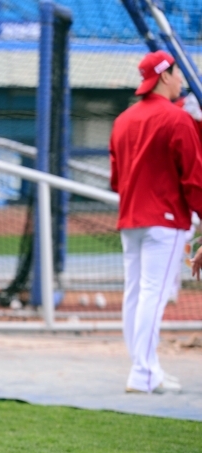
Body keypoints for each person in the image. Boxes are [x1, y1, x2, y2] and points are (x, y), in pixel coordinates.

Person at [110, 50, 202, 394]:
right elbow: (195, 179)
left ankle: (147, 368)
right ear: (165, 75)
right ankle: (143, 373)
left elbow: (116, 179)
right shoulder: (177, 120)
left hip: (131, 217)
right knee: (153, 294)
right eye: (178, 73)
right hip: (166, 220)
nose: (182, 80)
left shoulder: (122, 120)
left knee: (135, 293)